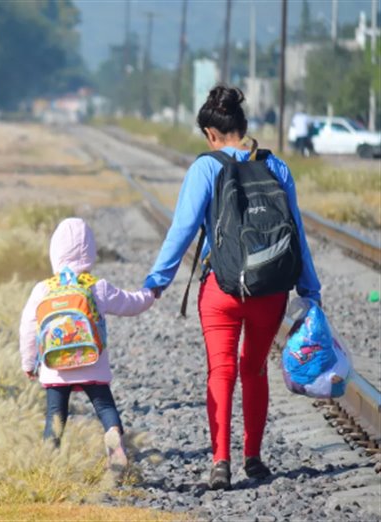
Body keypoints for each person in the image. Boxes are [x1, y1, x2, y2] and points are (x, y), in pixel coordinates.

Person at [144, 85, 322, 490]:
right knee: (255, 369)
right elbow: (297, 233)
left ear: (210, 133)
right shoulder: (276, 167)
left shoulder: (205, 168)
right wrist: (309, 289)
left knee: (221, 371)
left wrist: (157, 281)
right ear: (243, 127)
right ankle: (254, 457)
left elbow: (183, 230)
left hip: (221, 290)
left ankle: (220, 461)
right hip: (270, 289)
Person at [19, 218, 155, 474]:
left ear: (54, 252)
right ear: (90, 252)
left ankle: (49, 463)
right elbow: (132, 304)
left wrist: (28, 363)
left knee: (55, 413)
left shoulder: (43, 290)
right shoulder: (97, 287)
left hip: (55, 367)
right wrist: (151, 293)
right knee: (104, 407)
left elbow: (27, 328)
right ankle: (113, 435)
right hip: (93, 363)